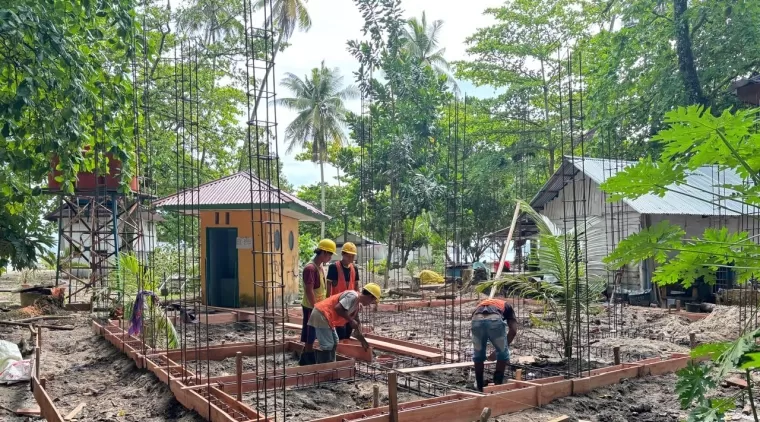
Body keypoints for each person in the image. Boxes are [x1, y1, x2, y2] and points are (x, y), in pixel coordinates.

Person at [307, 283, 382, 363]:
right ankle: (324, 368)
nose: (369, 304)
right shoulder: (352, 296)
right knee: (327, 345)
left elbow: (356, 323)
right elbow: (338, 308)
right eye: (372, 302)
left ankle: (331, 365)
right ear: (370, 297)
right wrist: (350, 320)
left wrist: (362, 340)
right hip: (321, 314)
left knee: (335, 341)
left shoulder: (357, 304)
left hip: (327, 317)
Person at [299, 238, 336, 366]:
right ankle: (307, 362)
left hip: (318, 307)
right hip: (311, 307)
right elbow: (309, 290)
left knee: (314, 334)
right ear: (323, 252)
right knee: (310, 335)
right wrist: (316, 307)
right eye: (330, 254)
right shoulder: (310, 268)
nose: (330, 258)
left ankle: (305, 359)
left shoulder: (320, 267)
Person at [471, 298, 518, 392]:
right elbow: (513, 331)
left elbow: (477, 321)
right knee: (503, 355)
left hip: (476, 320)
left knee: (478, 355)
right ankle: (497, 384)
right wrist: (499, 351)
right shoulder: (507, 306)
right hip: (494, 320)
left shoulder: (482, 304)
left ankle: (479, 387)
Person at [326, 242, 360, 340]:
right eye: (348, 256)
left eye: (352, 256)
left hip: (350, 306)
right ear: (343, 254)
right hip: (338, 306)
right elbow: (329, 285)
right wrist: (327, 302)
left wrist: (358, 302)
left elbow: (356, 285)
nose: (350, 258)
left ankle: (345, 351)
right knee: (340, 333)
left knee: (348, 332)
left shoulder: (354, 269)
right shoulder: (334, 267)